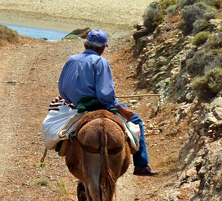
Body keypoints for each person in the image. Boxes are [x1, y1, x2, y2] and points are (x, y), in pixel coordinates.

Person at [58, 29, 156, 176]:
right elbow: (106, 95)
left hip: (76, 106)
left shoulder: (71, 60)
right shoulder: (100, 62)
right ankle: (141, 165)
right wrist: (120, 109)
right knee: (136, 121)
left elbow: (62, 87)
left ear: (86, 45)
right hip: (98, 105)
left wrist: (73, 100)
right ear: (103, 47)